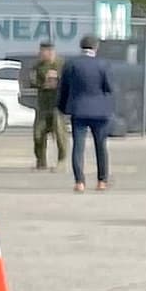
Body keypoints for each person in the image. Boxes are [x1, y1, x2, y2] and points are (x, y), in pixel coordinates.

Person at [57, 33, 116, 189]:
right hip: (100, 111)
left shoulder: (71, 64)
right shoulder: (103, 64)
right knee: (101, 146)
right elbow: (109, 87)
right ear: (96, 47)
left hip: (78, 109)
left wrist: (62, 108)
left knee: (78, 146)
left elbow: (64, 89)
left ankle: (79, 182)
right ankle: (102, 181)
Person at [26, 38, 68, 177]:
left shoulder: (62, 64)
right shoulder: (38, 66)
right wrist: (43, 82)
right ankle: (41, 160)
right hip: (43, 104)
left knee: (60, 133)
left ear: (53, 51)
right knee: (38, 133)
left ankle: (62, 159)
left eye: (48, 51)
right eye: (43, 51)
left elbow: (69, 81)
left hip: (57, 104)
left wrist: (58, 79)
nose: (45, 54)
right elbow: (31, 81)